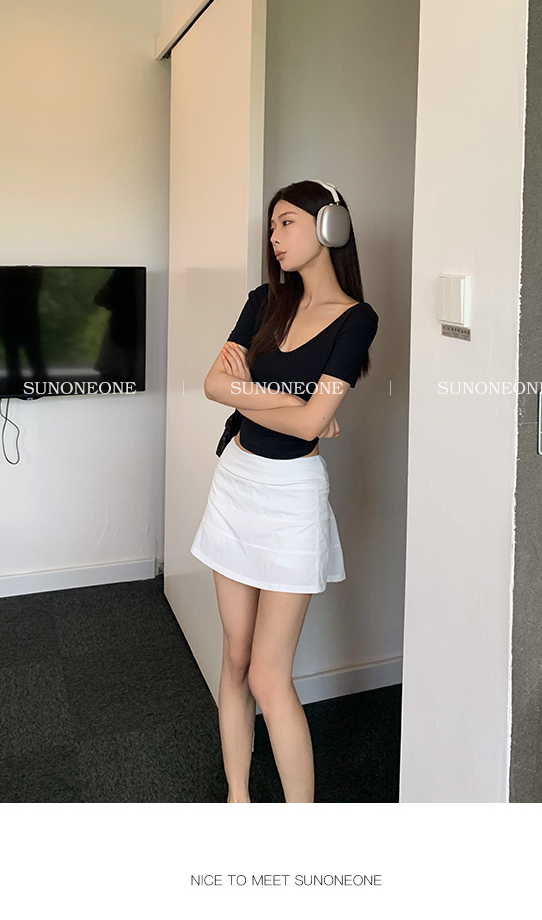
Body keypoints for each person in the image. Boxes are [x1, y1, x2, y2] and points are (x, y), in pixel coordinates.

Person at [191, 180, 379, 803]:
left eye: (287, 222)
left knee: (269, 675)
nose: (274, 237)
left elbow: (305, 426)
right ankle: (237, 797)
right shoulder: (262, 302)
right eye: (271, 226)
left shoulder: (356, 319)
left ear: (330, 227)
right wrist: (296, 404)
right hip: (236, 484)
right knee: (236, 658)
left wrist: (283, 406)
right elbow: (214, 386)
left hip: (291, 498)